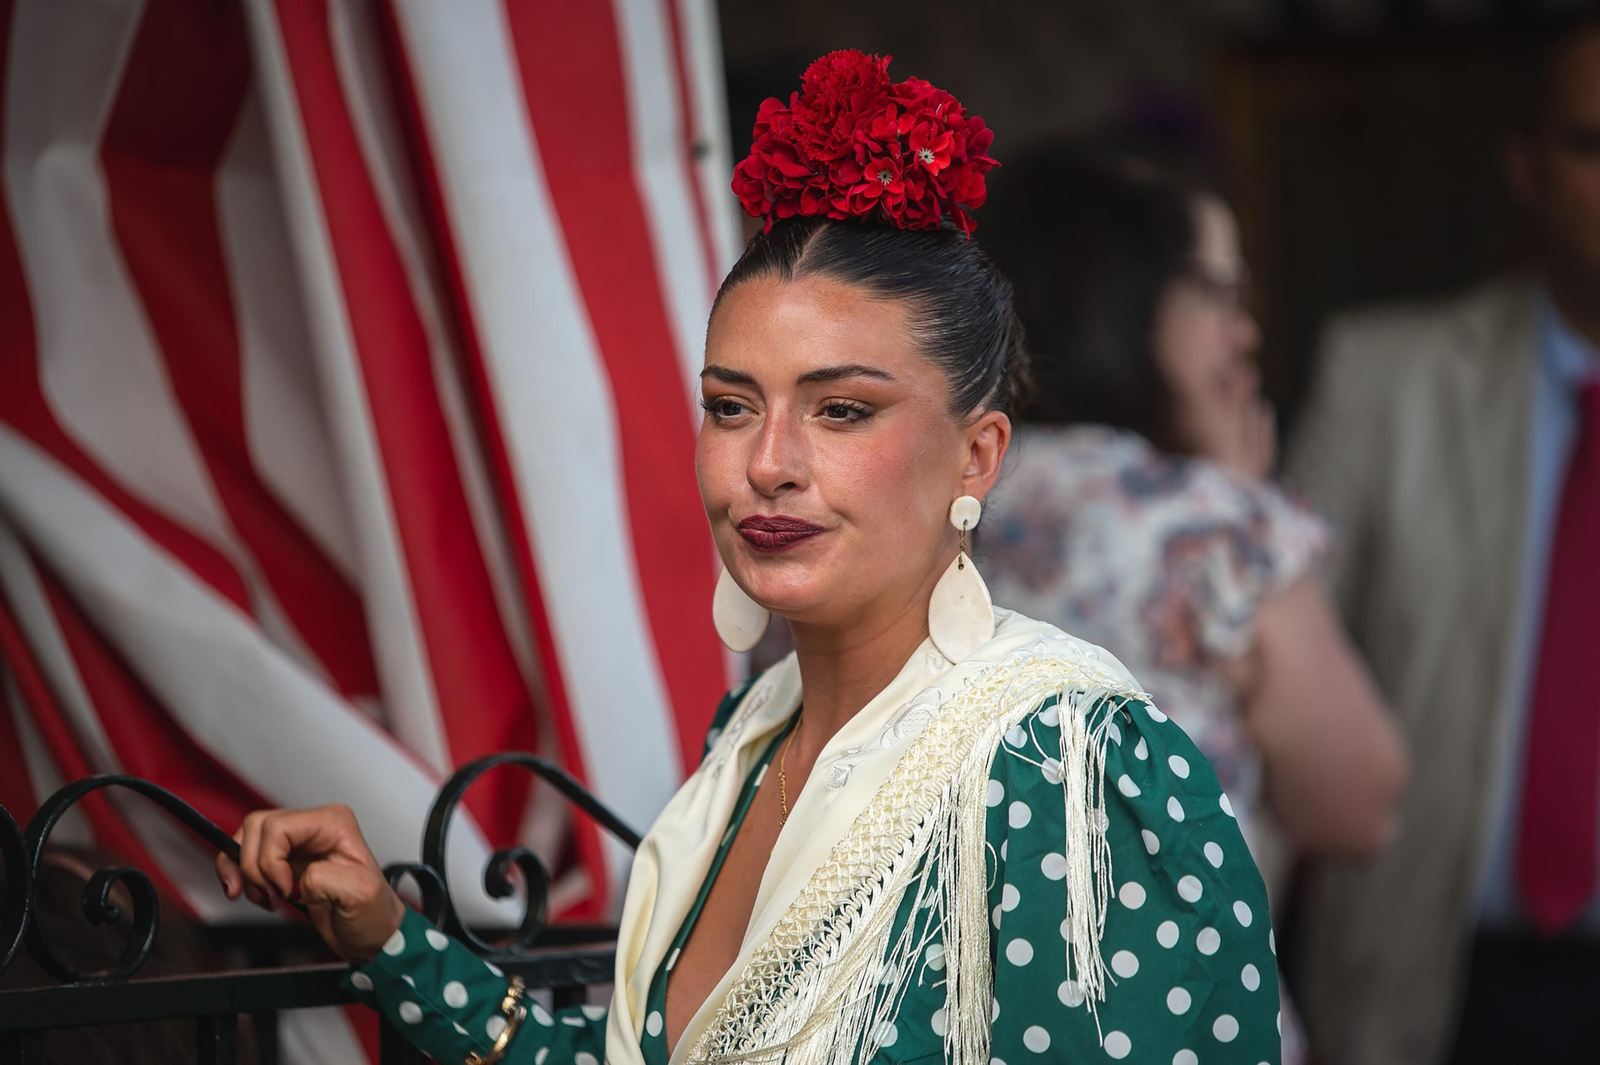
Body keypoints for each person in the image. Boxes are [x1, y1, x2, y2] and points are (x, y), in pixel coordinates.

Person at [216, 52, 1281, 1065]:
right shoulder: (749, 746)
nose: (768, 463)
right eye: (731, 407)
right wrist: (389, 941)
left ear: (975, 455)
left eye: (842, 410)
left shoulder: (1069, 769)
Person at [980, 152, 1407, 1065]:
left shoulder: (912, 508)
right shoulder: (1209, 527)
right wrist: (1239, 504)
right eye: (1218, 294)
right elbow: (1360, 803)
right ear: (1122, 296)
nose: (1245, 334)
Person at [1283, 19, 1600, 1065]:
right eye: (1592, 144)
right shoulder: (1382, 380)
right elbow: (1264, 703)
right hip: (1427, 981)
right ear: (1526, 169)